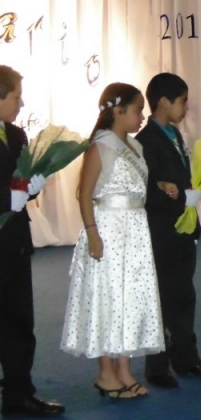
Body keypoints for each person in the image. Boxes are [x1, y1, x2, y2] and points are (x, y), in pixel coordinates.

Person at [61, 83, 164, 399]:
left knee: (131, 298)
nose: (141, 117)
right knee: (107, 298)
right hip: (108, 228)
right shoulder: (101, 146)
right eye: (137, 110)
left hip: (135, 229)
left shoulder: (135, 147)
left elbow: (134, 186)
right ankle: (106, 373)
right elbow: (85, 193)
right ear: (118, 111)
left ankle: (124, 368)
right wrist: (92, 232)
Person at [136, 73, 201, 389]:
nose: (186, 107)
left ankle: (186, 358)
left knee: (184, 294)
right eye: (182, 101)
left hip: (182, 229)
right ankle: (157, 367)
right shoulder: (145, 142)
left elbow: (177, 181)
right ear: (164, 102)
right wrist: (183, 197)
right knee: (162, 298)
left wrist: (189, 194)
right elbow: (146, 192)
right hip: (161, 232)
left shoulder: (173, 134)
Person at [0, 65, 64, 417]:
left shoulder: (17, 134)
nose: (21, 103)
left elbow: (19, 182)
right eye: (15, 97)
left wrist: (31, 190)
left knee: (19, 321)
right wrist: (4, 199)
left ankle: (18, 393)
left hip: (15, 244)